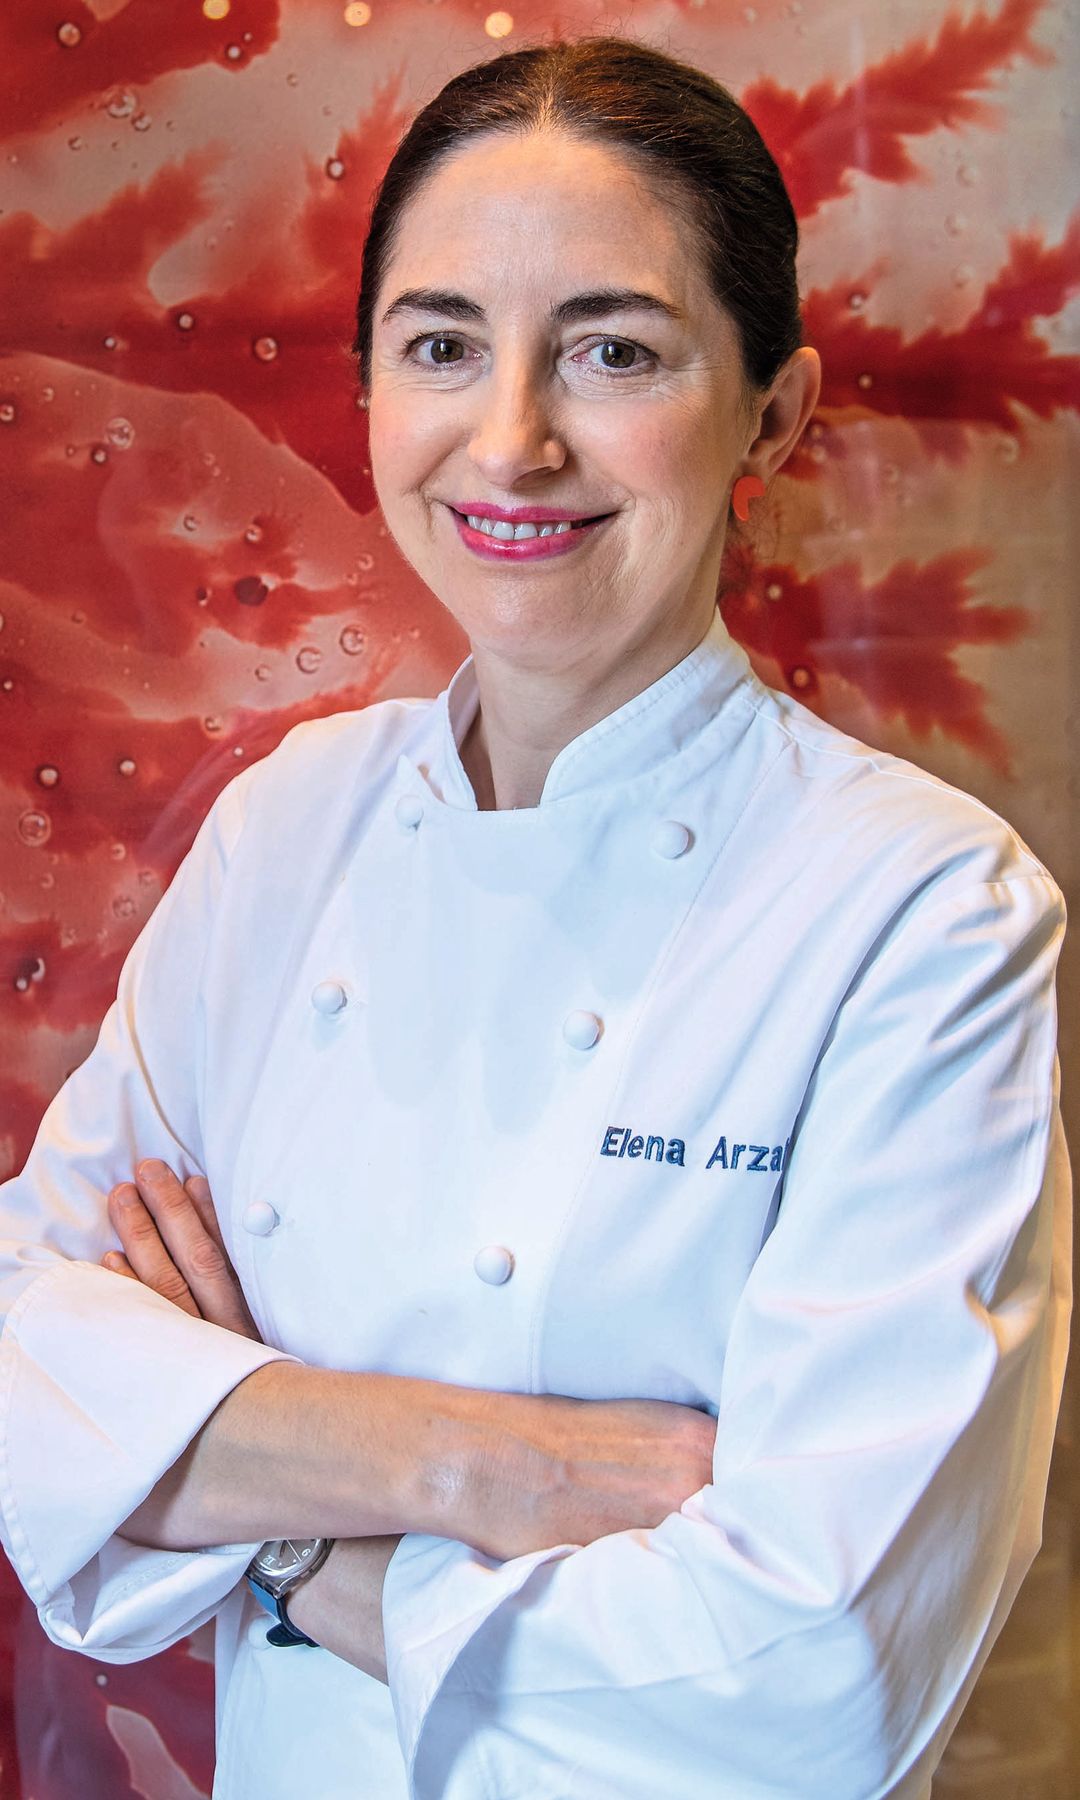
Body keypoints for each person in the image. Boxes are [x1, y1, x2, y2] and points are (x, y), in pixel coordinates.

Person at [0, 33, 1069, 1800]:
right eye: (441, 347)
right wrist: (495, 1472)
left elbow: (827, 1678)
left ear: (772, 415)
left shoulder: (924, 912)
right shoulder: (287, 832)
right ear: (368, 395)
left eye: (614, 351)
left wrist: (266, 1509)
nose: (513, 439)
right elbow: (26, 1367)